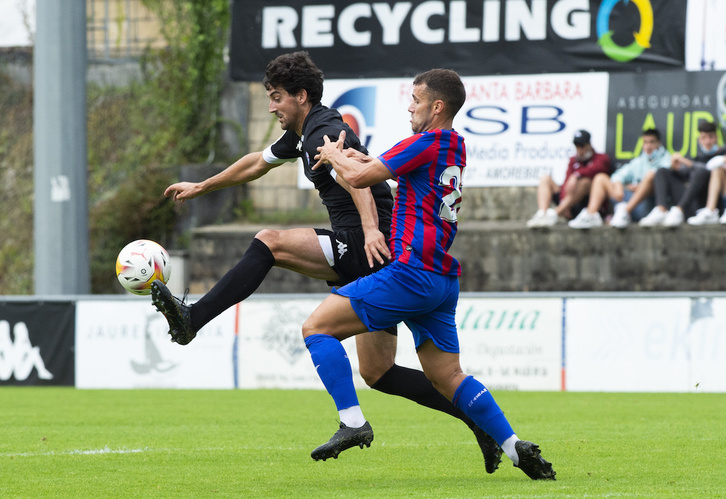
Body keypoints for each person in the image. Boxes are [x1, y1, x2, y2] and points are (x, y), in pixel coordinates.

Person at [149, 52, 502, 472]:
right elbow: (257, 164)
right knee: (378, 371)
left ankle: (195, 318)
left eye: (277, 97)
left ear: (301, 96)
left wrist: (371, 231)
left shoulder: (325, 131)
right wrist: (203, 185)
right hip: (376, 249)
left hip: (369, 244)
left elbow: (358, 183)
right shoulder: (302, 133)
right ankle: (475, 419)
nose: (271, 106)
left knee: (269, 242)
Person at [305, 69, 556, 480]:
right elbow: (377, 164)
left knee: (316, 328)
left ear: (437, 106)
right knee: (449, 376)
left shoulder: (426, 142)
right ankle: (516, 448)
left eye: (416, 99)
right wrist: (350, 156)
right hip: (440, 280)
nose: (409, 105)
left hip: (410, 272)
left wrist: (334, 155)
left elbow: (360, 178)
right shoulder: (451, 144)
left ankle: (352, 422)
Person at [569, 128, 671, 229]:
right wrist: (618, 185)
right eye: (645, 142)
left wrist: (642, 186)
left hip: (649, 205)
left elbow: (661, 180)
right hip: (629, 200)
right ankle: (591, 215)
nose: (648, 146)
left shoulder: (667, 159)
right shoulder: (639, 161)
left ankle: (625, 212)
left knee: (651, 175)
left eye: (652, 142)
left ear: (658, 143)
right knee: (601, 178)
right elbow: (618, 175)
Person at [638, 121, 721, 227]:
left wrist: (686, 162)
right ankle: (661, 210)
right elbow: (684, 175)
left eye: (710, 137)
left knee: (701, 171)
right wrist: (674, 169)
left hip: (709, 206)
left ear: (716, 138)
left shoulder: (722, 154)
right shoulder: (698, 158)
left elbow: (706, 170)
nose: (707, 141)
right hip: (691, 204)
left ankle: (679, 209)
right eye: (704, 138)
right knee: (662, 172)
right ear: (699, 140)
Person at [526, 130, 612, 227]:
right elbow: (566, 182)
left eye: (582, 146)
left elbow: (595, 169)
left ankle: (556, 212)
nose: (579, 149)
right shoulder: (573, 160)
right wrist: (564, 202)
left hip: (586, 205)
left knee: (585, 182)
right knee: (545, 178)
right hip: (569, 205)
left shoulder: (601, 158)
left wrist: (576, 174)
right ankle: (543, 215)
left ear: (589, 145)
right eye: (577, 146)